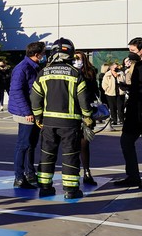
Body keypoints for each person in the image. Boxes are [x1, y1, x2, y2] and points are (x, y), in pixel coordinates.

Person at [30, 38, 93, 199]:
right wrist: (88, 118)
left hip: (48, 123)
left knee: (46, 155)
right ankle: (71, 190)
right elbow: (84, 100)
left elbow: (35, 98)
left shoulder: (43, 73)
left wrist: (38, 116)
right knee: (70, 156)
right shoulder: (75, 74)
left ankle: (45, 187)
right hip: (70, 124)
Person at [115, 37, 142, 189]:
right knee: (126, 141)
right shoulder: (135, 65)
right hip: (134, 110)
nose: (130, 54)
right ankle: (133, 176)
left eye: (133, 51)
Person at [8, 41, 45, 189]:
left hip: (33, 112)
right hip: (26, 113)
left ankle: (30, 173)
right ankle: (19, 177)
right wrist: (27, 112)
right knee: (23, 145)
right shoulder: (22, 68)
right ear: (36, 54)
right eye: (43, 53)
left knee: (31, 144)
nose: (44, 55)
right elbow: (16, 91)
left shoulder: (34, 67)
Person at [74, 51, 99, 185]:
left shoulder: (90, 73)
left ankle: (87, 172)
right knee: (72, 145)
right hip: (72, 111)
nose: (76, 61)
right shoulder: (69, 72)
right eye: (75, 58)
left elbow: (95, 91)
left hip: (86, 112)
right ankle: (74, 172)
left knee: (84, 144)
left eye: (79, 58)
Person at [101, 61, 125, 127]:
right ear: (111, 68)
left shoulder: (121, 73)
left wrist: (119, 76)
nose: (116, 68)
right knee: (112, 107)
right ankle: (114, 120)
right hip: (110, 93)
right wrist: (107, 89)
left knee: (120, 107)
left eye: (117, 67)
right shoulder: (107, 74)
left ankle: (122, 120)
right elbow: (104, 84)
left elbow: (124, 81)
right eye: (115, 67)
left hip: (120, 93)